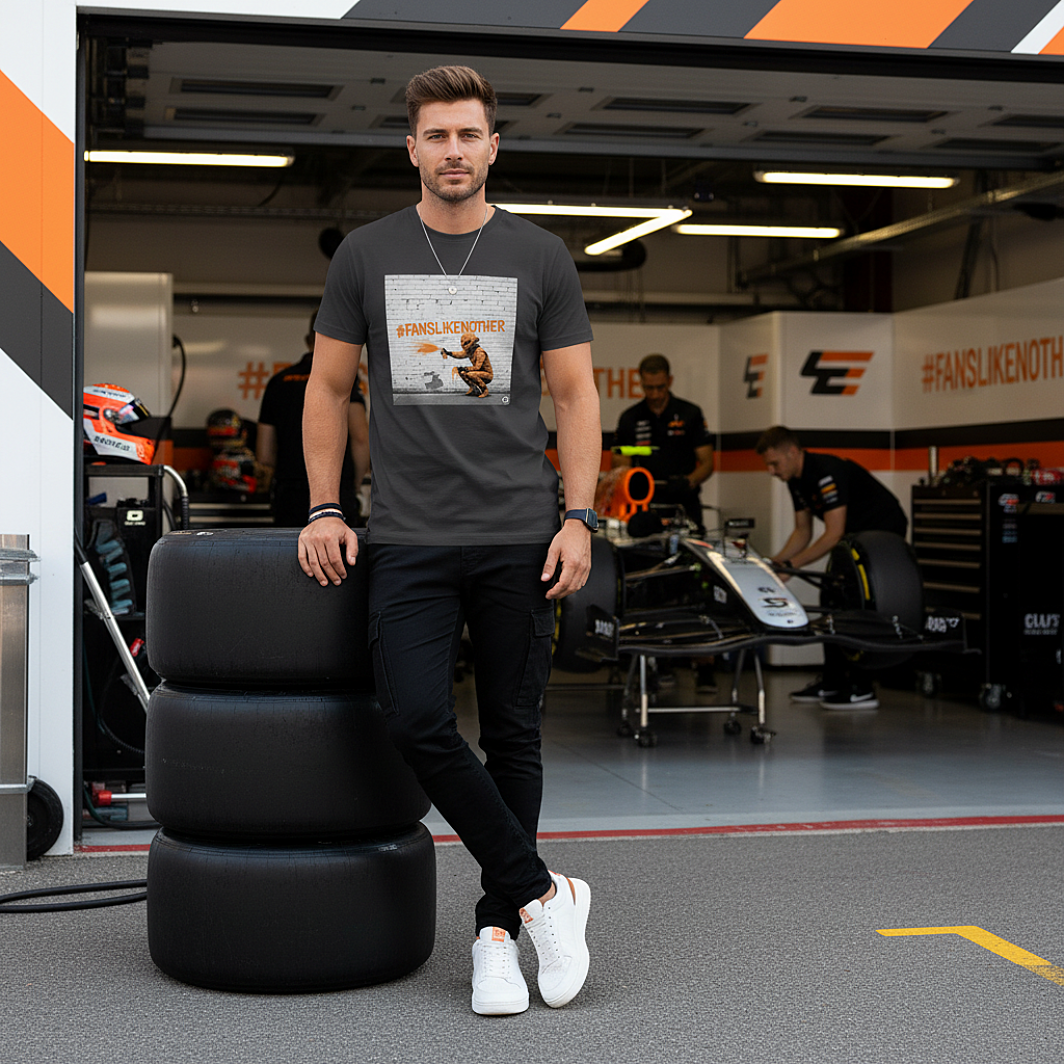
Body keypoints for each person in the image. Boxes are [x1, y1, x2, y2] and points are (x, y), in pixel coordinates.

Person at [297, 65, 601, 1017]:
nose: (454, 152)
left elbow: (576, 396)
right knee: (417, 718)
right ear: (414, 149)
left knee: (513, 733)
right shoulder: (367, 253)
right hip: (411, 538)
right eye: (437, 136)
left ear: (493, 145)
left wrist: (581, 517)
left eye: (470, 135)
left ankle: (497, 933)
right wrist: (324, 506)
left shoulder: (541, 256)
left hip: (520, 533)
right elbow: (328, 391)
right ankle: (546, 889)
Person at [756, 424, 909, 710]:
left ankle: (861, 687)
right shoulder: (795, 479)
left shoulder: (826, 472)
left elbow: (833, 533)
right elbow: (802, 532)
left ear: (792, 452)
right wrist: (774, 564)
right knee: (830, 598)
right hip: (854, 535)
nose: (771, 471)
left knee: (858, 602)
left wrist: (791, 566)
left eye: (774, 463)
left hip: (882, 529)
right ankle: (833, 680)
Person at [613, 353, 716, 691]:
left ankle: (705, 666)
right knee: (646, 585)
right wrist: (633, 482)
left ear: (669, 381)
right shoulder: (630, 418)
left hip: (684, 506)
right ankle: (657, 662)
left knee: (698, 583)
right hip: (644, 512)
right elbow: (620, 465)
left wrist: (687, 482)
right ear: (640, 383)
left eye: (660, 386)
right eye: (648, 386)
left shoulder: (689, 413)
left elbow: (707, 463)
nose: (654, 393)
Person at [256, 312, 370, 527]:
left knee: (286, 556)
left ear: (308, 341)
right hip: (336, 492)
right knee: (338, 558)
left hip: (289, 494)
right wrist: (354, 486)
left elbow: (264, 454)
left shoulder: (278, 382)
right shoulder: (345, 378)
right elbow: (361, 438)